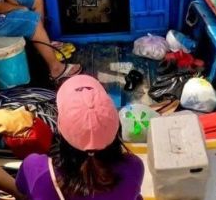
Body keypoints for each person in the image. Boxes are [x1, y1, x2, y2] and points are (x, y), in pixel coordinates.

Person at [15, 75, 144, 200]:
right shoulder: (133, 167)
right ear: (117, 126)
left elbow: (22, 191)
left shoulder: (36, 169)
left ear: (60, 128)